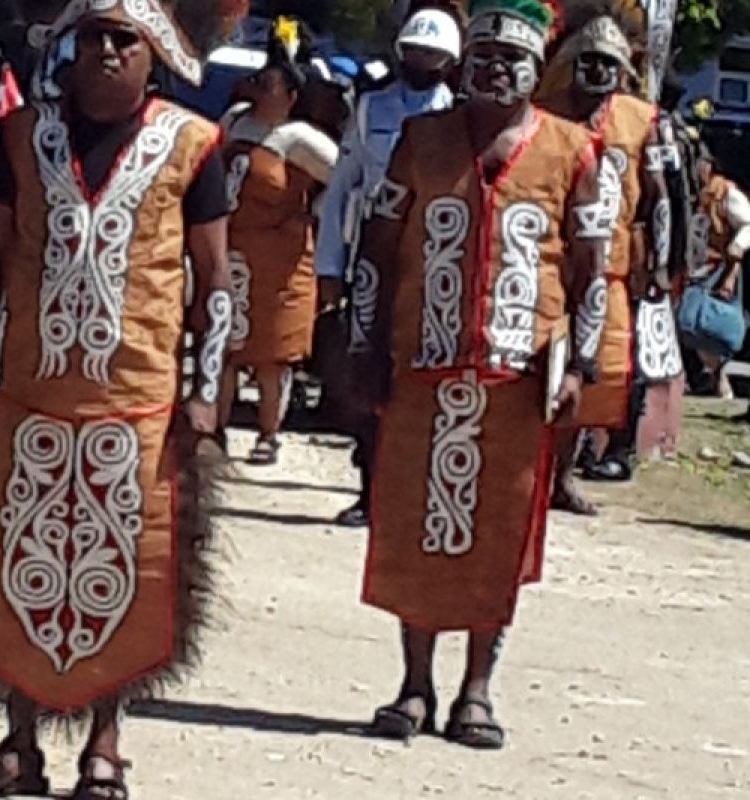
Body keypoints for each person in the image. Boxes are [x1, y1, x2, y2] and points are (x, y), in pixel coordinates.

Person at [0, 1, 240, 797]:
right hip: (31, 397)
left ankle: (105, 745)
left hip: (139, 403)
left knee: (127, 574)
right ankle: (17, 742)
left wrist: (205, 395)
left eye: (124, 39)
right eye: (94, 37)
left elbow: (215, 284)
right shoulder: (21, 137)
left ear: (155, 55)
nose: (106, 52)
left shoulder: (192, 145)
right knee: (20, 566)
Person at [344, 0, 613, 749]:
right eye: (484, 55)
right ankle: (414, 686)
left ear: (537, 71)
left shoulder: (571, 150)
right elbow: (377, 249)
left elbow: (591, 273)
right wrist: (364, 347)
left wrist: (580, 364)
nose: (496, 68)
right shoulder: (419, 140)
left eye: (512, 58)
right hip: (421, 374)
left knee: (499, 537)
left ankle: (477, 690)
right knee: (412, 531)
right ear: (463, 67)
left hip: (516, 380)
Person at [314, 5, 461, 527]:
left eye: (433, 54)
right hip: (372, 262)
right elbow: (341, 189)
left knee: (424, 379)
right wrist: (329, 267)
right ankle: (369, 491)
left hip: (434, 264)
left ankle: (416, 495)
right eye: (414, 51)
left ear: (449, 62)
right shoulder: (370, 108)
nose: (422, 60)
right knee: (366, 371)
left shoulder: (459, 115)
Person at [537, 3, 675, 510]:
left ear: (624, 71)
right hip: (551, 265)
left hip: (612, 272)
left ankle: (564, 476)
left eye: (608, 65)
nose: (597, 73)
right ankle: (529, 470)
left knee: (593, 374)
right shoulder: (545, 115)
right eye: (588, 62)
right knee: (540, 370)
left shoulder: (643, 121)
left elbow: (658, 197)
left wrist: (659, 262)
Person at [216, 17, 338, 465]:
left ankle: (269, 434)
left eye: (272, 85)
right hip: (233, 250)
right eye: (259, 82)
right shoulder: (233, 122)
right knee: (225, 345)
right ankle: (217, 429)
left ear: (290, 96)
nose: (262, 91)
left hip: (282, 259)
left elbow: (344, 180)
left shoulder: (300, 139)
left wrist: (310, 213)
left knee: (273, 354)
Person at [684, 145, 750, 396]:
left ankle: (718, 380)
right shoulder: (692, 193)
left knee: (712, 325)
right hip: (695, 269)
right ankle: (703, 379)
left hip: (719, 269)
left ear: (708, 166)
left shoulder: (726, 193)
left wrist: (737, 248)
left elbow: (748, 223)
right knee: (690, 324)